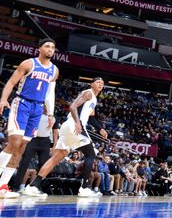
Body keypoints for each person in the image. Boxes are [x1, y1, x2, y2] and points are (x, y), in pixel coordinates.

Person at [23, 77, 108, 198]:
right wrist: (78, 123)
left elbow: (92, 118)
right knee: (90, 154)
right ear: (91, 84)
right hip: (74, 125)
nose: (100, 84)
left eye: (102, 83)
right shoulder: (88, 92)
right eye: (98, 82)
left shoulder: (93, 98)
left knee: (55, 158)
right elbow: (72, 106)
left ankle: (32, 186)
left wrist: (100, 129)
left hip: (69, 127)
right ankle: (84, 188)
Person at [0, 38, 58, 198]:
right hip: (22, 104)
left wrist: (51, 113)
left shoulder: (54, 70)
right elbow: (11, 82)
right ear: (39, 48)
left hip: (38, 108)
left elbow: (49, 93)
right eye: (47, 46)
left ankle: (3, 186)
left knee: (21, 147)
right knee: (15, 142)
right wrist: (3, 99)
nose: (50, 49)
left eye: (53, 47)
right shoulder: (28, 64)